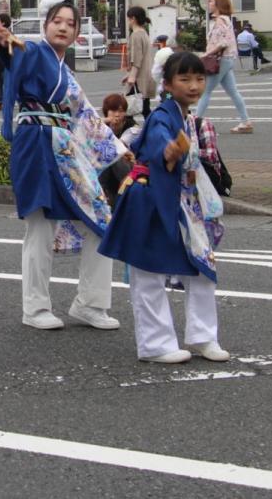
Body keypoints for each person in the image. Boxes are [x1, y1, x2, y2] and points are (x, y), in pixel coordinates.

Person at [2, 0, 130, 333]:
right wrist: (11, 45)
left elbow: (86, 117)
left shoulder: (65, 71)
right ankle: (35, 306)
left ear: (77, 33)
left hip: (64, 149)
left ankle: (90, 303)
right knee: (40, 226)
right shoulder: (33, 52)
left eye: (70, 24)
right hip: (36, 144)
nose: (63, 28)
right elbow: (20, 57)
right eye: (56, 22)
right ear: (44, 25)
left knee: (101, 220)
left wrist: (117, 148)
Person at [98, 52, 229, 365]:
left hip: (179, 200)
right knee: (149, 272)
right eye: (184, 79)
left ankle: (203, 336)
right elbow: (156, 139)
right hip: (149, 197)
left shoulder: (183, 115)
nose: (194, 85)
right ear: (167, 84)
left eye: (199, 78)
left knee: (202, 267)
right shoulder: (163, 115)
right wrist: (167, 150)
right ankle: (156, 343)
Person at [194, 0, 253, 134]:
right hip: (228, 59)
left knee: (205, 91)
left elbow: (223, 42)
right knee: (233, 92)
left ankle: (195, 124)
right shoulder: (226, 19)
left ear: (218, 4)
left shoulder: (220, 20)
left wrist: (207, 54)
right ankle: (245, 122)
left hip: (220, 60)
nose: (209, 4)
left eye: (211, 1)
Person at [98, 93, 143, 208]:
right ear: (106, 111)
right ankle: (104, 195)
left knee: (112, 154)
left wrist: (112, 128)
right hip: (108, 172)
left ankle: (128, 194)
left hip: (129, 169)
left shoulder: (132, 126)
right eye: (113, 111)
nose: (117, 115)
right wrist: (106, 122)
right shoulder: (102, 125)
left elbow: (120, 146)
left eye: (121, 111)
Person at [123, 7, 156, 119]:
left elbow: (136, 58)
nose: (128, 22)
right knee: (144, 108)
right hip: (145, 76)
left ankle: (129, 131)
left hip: (139, 78)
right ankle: (152, 128)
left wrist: (131, 76)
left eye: (129, 19)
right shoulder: (144, 33)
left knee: (127, 108)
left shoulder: (136, 35)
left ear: (133, 19)